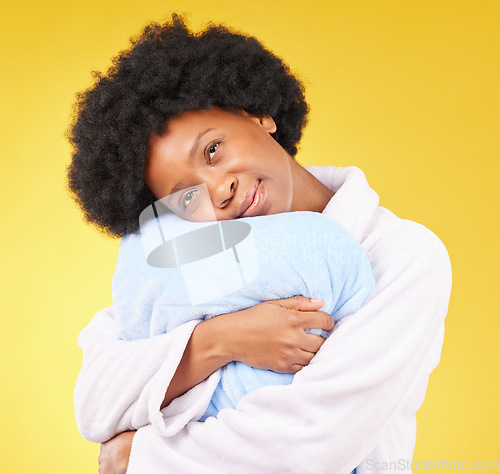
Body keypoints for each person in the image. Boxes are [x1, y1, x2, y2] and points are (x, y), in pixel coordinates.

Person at [68, 15, 452, 473]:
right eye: (186, 196)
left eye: (213, 150)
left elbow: (310, 444)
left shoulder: (403, 255)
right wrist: (218, 340)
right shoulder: (191, 257)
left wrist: (139, 457)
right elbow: (96, 398)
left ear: (258, 114)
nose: (218, 190)